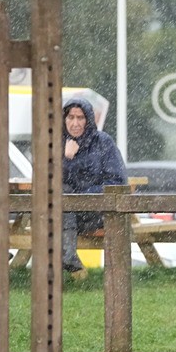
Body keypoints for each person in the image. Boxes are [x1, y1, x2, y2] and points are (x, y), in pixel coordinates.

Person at [62, 98, 126, 279]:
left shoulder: (103, 142)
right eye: (71, 117)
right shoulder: (56, 142)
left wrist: (85, 197)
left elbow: (117, 181)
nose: (75, 123)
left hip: (95, 212)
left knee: (63, 203)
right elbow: (49, 181)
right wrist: (67, 159)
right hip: (63, 213)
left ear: (88, 120)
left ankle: (69, 259)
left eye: (80, 118)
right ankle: (68, 258)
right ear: (64, 119)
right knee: (60, 195)